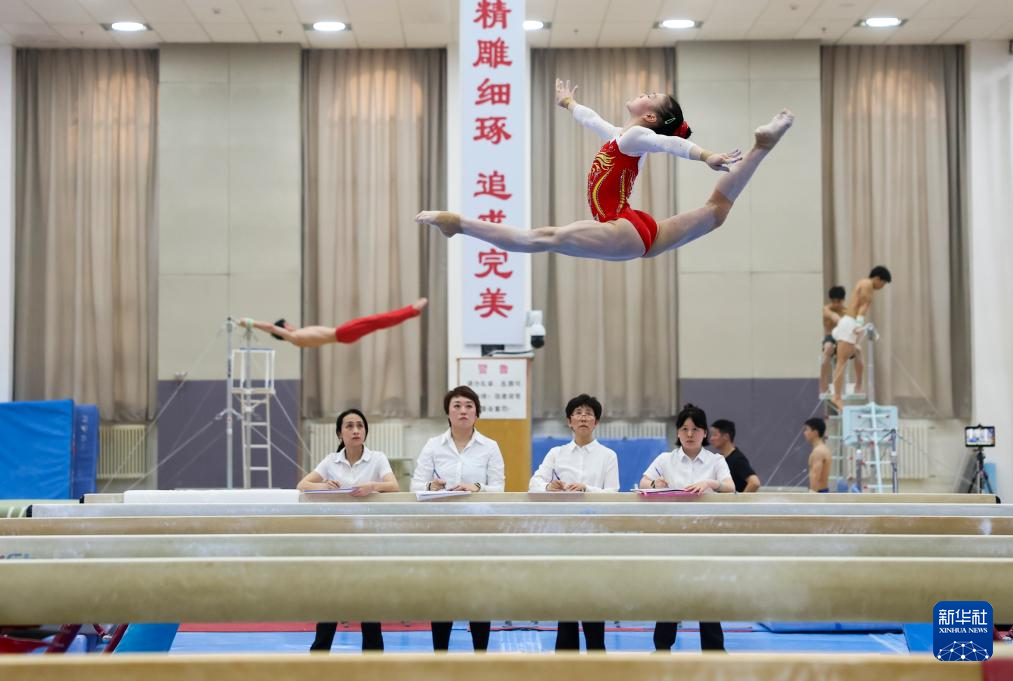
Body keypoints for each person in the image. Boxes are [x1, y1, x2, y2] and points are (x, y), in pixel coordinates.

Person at [416, 79, 793, 261]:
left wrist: (705, 155)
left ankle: (458, 224)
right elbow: (592, 120)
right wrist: (569, 103)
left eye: (651, 96)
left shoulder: (637, 138)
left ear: (650, 117)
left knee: (540, 238)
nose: (645, 91)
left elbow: (671, 144)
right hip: (634, 226)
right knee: (716, 212)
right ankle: (763, 146)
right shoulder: (619, 136)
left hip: (621, 227)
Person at [411, 386, 505, 652]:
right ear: (448, 413)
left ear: (477, 413)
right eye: (457, 406)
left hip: (479, 530)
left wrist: (477, 487)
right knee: (443, 594)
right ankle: (440, 655)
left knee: (479, 592)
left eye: (468, 406)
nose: (463, 411)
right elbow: (415, 485)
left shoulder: (490, 447)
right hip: (442, 529)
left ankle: (480, 655)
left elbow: (499, 489)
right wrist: (431, 486)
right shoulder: (433, 445)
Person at [300, 408, 399, 652]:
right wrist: (324, 486)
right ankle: (319, 653)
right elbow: (303, 484)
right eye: (349, 426)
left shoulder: (377, 458)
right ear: (339, 433)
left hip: (369, 538)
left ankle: (373, 657)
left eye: (360, 426)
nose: (356, 430)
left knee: (369, 600)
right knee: (331, 598)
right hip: (337, 537)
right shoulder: (330, 461)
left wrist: (372, 486)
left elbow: (393, 486)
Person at [528, 393, 619, 652]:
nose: (583, 417)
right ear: (569, 421)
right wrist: (549, 486)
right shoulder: (556, 454)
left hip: (595, 535)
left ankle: (596, 656)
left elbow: (613, 493)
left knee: (594, 601)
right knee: (565, 601)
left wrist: (587, 489)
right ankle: (565, 662)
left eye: (589, 413)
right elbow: (533, 484)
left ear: (596, 422)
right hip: (563, 533)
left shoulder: (608, 455)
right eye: (578, 413)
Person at [640, 404, 733, 652]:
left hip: (706, 536)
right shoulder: (665, 459)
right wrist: (655, 483)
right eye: (684, 429)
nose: (690, 434)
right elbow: (643, 481)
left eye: (695, 429)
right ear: (678, 433)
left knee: (708, 591)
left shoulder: (716, 461)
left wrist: (710, 483)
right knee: (670, 590)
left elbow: (730, 486)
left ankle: (714, 649)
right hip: (672, 535)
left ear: (705, 433)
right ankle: (662, 647)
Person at [240, 298, 427, 348]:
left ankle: (412, 311)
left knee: (377, 322)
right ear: (284, 329)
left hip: (342, 336)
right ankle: (412, 310)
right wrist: (250, 322)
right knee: (377, 320)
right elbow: (271, 327)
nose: (290, 325)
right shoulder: (293, 337)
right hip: (342, 333)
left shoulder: (296, 338)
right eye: (287, 325)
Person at [830, 267, 892, 411]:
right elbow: (863, 306)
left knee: (857, 352)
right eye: (883, 283)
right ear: (878, 278)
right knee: (841, 362)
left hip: (848, 323)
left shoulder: (863, 282)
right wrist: (858, 325)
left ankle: (858, 385)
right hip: (850, 324)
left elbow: (859, 305)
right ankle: (836, 397)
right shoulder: (867, 284)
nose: (882, 287)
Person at [708, 419, 761, 493]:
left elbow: (754, 482)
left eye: (715, 435)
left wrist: (740, 500)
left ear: (726, 436)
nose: (711, 439)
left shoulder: (737, 459)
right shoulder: (720, 459)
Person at [804, 417, 832, 494]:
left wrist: (812, 495)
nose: (804, 433)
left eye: (807, 430)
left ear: (815, 433)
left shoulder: (818, 452)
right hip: (823, 492)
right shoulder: (824, 449)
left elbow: (815, 476)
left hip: (818, 494)